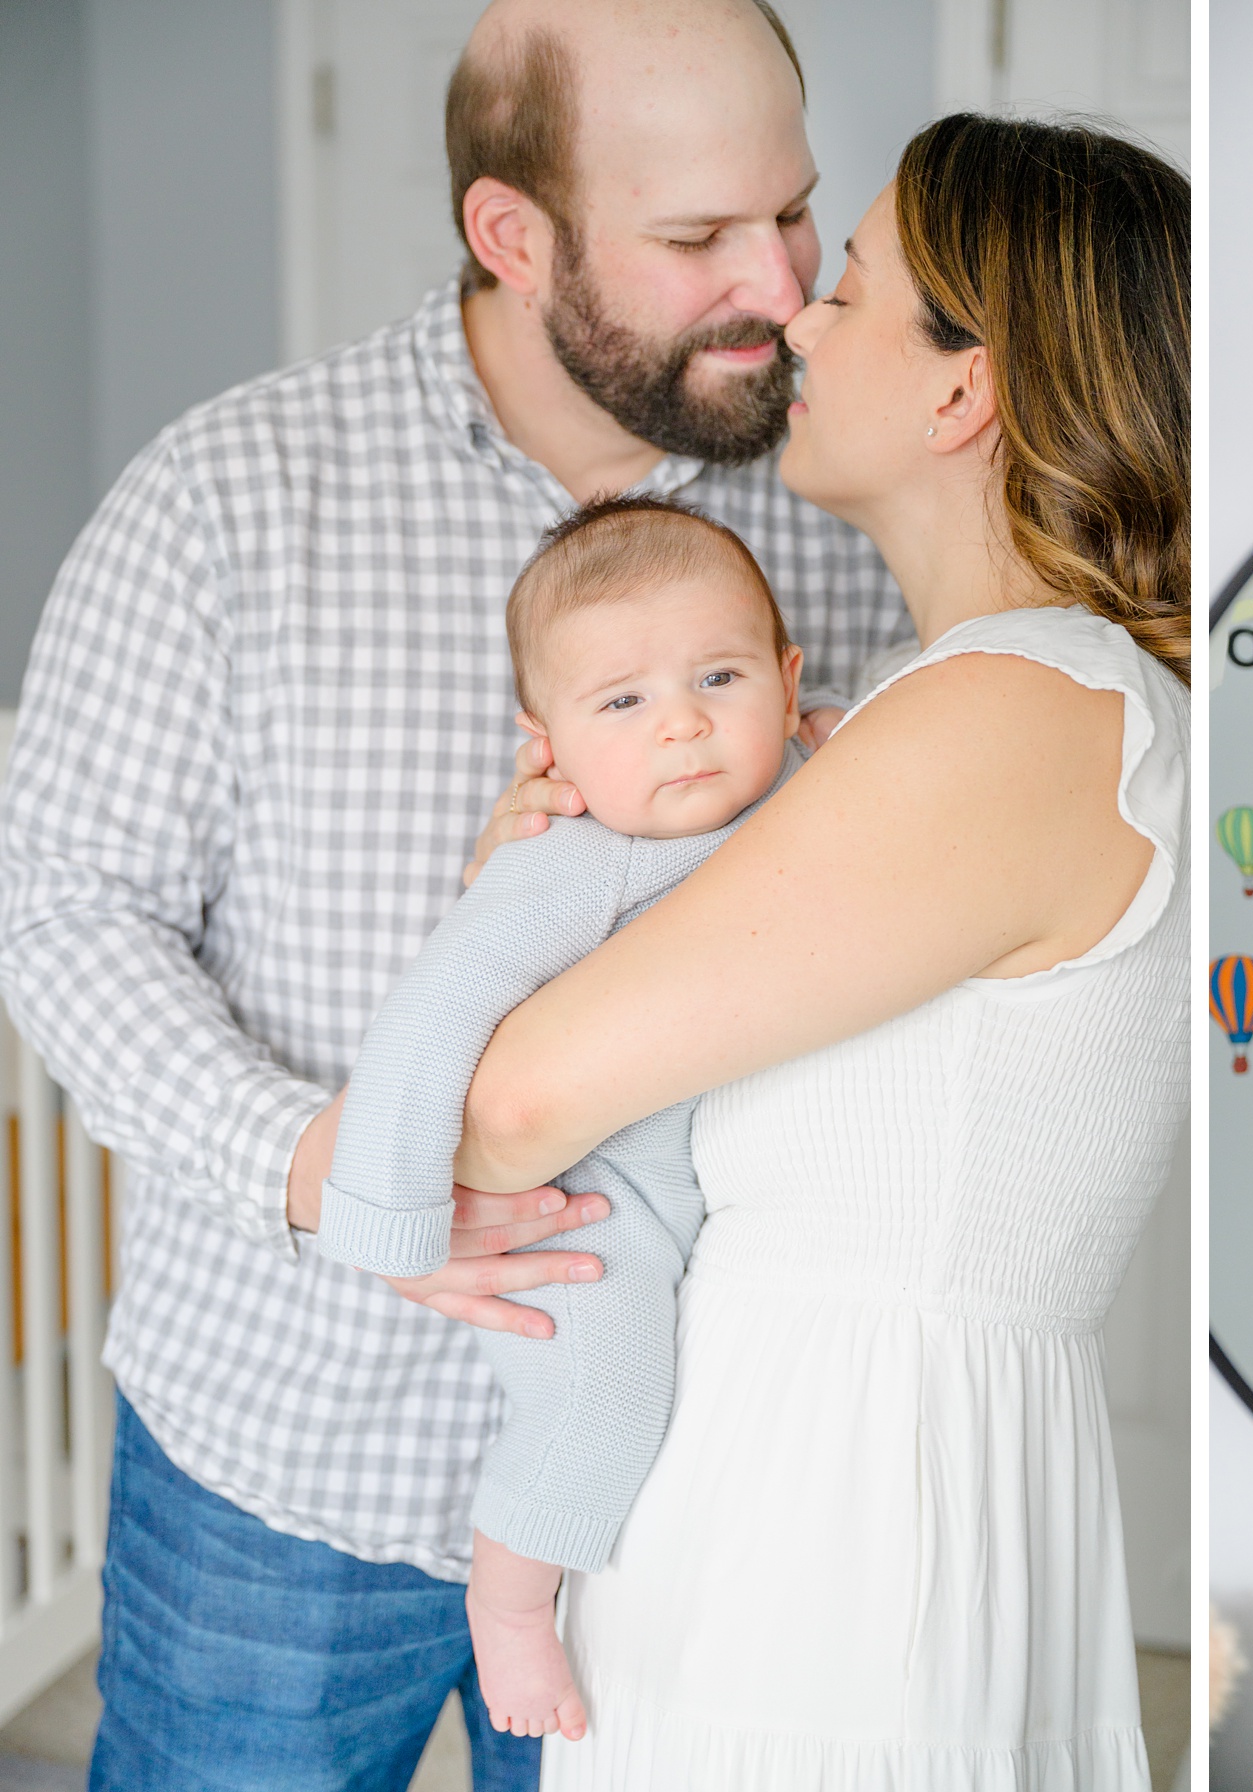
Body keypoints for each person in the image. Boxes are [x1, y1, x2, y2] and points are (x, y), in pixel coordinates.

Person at [0, 2, 903, 1783]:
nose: (784, 284)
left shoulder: (850, 511)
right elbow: (64, 912)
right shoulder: (229, 497)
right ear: (515, 235)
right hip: (286, 1450)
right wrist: (311, 1159)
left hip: (681, 1470)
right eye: (699, 237)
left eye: (795, 213)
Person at [444, 111, 1188, 1781]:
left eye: (846, 288)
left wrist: (526, 921)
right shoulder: (982, 715)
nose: (792, 321)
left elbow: (515, 1102)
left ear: (961, 389)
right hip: (830, 1482)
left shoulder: (1015, 713)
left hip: (843, 1523)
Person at [315, 498, 806, 1740]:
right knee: (601, 1391)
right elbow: (435, 1013)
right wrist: (385, 1216)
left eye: (718, 675)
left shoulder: (812, 787)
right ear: (545, 746)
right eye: (623, 703)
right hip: (593, 1205)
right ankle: (513, 1607)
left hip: (723, 1201)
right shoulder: (572, 854)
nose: (684, 721)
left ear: (790, 683)